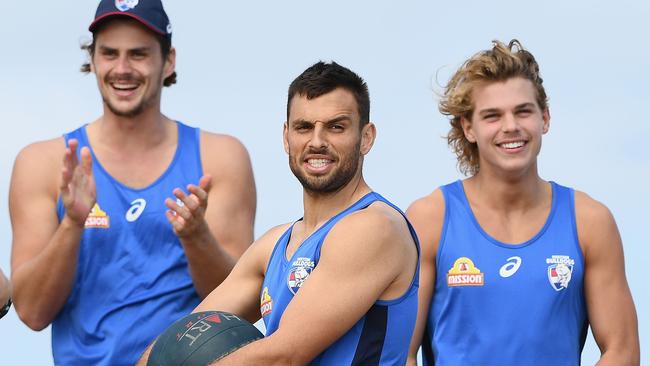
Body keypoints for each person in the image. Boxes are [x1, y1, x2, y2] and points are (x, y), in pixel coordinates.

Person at [9, 0, 256, 364]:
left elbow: (243, 308)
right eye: (109, 53)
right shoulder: (42, 163)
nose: (122, 69)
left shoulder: (220, 157)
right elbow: (31, 312)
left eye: (138, 54)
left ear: (168, 60)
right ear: (93, 59)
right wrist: (73, 223)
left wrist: (195, 235)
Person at [139, 61, 420, 365]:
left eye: (336, 127)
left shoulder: (375, 227)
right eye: (304, 127)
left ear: (366, 137)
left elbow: (283, 356)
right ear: (287, 137)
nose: (317, 142)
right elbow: (181, 337)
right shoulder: (274, 245)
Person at [406, 40, 640, 365]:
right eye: (492, 116)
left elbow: (622, 350)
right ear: (468, 128)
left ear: (545, 118)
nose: (511, 126)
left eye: (523, 111)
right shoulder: (430, 218)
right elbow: (399, 353)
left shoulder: (590, 221)